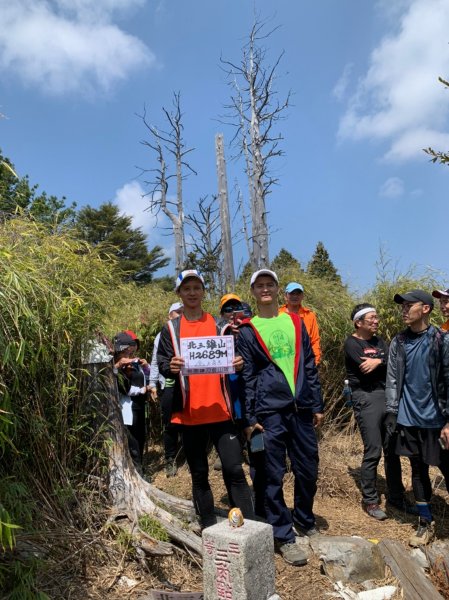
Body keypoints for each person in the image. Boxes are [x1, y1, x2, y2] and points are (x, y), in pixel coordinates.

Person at [237, 269, 323, 566]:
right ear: (253, 292)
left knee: (308, 468)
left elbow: (309, 366)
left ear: (277, 289)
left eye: (269, 284)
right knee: (272, 475)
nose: (265, 289)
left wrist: (317, 403)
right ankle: (284, 536)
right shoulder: (248, 330)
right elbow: (247, 376)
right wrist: (249, 418)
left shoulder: (296, 322)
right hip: (269, 412)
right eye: (259, 285)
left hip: (300, 409)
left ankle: (304, 519)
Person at [157, 269, 255, 529]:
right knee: (199, 474)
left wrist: (238, 363)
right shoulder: (171, 329)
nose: (192, 293)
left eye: (196, 287)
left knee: (234, 469)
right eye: (186, 288)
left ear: (203, 291)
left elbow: (237, 361)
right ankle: (209, 526)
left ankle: (249, 525)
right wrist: (171, 365)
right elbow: (163, 363)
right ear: (179, 293)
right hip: (189, 413)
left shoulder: (219, 326)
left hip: (220, 410)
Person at [385, 289, 449, 546]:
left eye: (409, 305)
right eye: (402, 306)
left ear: (425, 309)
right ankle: (425, 522)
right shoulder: (398, 342)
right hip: (409, 419)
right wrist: (392, 411)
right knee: (417, 470)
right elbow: (392, 378)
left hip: (437, 420)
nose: (404, 309)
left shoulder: (441, 340)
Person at [344, 303, 414, 520]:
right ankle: (371, 500)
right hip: (365, 397)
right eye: (372, 318)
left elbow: (393, 363)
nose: (376, 321)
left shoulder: (380, 342)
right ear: (359, 322)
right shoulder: (352, 343)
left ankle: (396, 497)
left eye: (377, 317)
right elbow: (365, 368)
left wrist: (379, 361)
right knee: (373, 449)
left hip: (386, 395)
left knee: (392, 450)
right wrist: (380, 362)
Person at [149, 302, 184, 477]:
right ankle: (170, 458)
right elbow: (156, 361)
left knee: (187, 420)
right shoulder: (162, 335)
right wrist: (153, 383)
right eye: (177, 312)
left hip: (188, 387)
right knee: (170, 423)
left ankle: (186, 455)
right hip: (169, 385)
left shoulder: (189, 331)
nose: (180, 314)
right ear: (169, 315)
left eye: (182, 312)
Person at [113, 330, 151, 474]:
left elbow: (145, 376)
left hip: (140, 405)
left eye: (132, 348)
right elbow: (123, 388)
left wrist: (146, 367)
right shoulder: (116, 366)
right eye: (127, 349)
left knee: (141, 437)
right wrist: (142, 390)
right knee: (133, 442)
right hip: (128, 408)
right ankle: (137, 472)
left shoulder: (134, 362)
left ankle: (140, 468)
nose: (130, 353)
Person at [279, 282, 321, 365]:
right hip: (283, 361)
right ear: (285, 296)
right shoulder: (277, 314)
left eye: (298, 293)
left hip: (306, 361)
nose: (295, 296)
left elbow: (315, 341)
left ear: (302, 296)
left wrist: (315, 362)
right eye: (292, 293)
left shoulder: (309, 315)